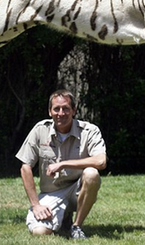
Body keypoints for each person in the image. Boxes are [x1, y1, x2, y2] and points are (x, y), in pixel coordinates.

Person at [15, 89, 107, 239]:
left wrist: (63, 164)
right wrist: (36, 205)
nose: (61, 113)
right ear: (50, 111)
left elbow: (101, 161)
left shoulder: (89, 131)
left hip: (78, 189)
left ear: (74, 110)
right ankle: (63, 218)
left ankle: (76, 227)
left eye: (65, 108)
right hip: (52, 192)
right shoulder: (40, 130)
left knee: (92, 174)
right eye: (56, 109)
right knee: (40, 232)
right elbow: (25, 167)